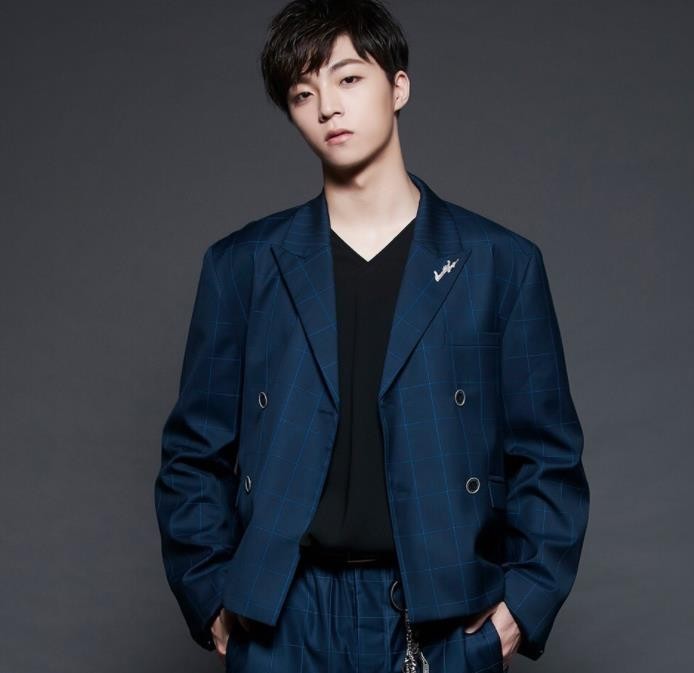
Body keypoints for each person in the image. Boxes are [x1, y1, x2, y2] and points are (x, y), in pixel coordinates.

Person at [153, 1, 590, 671]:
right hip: (280, 619)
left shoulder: (498, 263)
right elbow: (193, 453)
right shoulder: (242, 265)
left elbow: (548, 458)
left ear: (399, 86)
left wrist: (515, 614)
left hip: (441, 614)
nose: (328, 107)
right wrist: (211, 597)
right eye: (304, 93)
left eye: (349, 78)